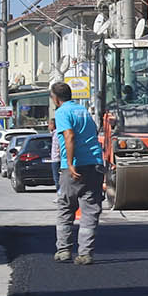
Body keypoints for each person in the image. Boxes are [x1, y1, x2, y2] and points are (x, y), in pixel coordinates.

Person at [50, 79, 104, 266]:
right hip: (95, 164)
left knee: (66, 206)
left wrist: (71, 164)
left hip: (74, 166)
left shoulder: (62, 112)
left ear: (55, 99)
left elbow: (69, 136)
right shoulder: (83, 111)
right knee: (90, 209)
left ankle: (64, 250)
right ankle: (85, 254)